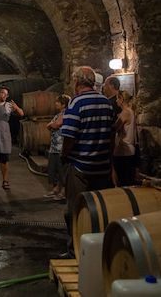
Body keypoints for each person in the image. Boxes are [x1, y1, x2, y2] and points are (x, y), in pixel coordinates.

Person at [61, 66, 114, 257]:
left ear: (77, 81)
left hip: (80, 166)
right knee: (99, 210)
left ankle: (75, 250)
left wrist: (64, 156)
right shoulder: (106, 103)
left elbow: (69, 135)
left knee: (75, 210)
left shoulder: (76, 102)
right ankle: (98, 248)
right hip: (102, 166)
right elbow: (111, 134)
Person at [44, 94, 71, 201]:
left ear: (63, 104)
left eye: (58, 102)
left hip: (60, 146)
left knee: (61, 170)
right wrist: (51, 124)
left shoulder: (65, 113)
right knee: (53, 169)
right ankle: (56, 189)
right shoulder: (59, 114)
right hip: (54, 146)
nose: (55, 104)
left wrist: (52, 124)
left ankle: (63, 192)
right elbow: (49, 125)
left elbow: (56, 124)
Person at [112, 90, 136, 186]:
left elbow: (114, 128)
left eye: (118, 98)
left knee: (122, 181)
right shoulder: (130, 111)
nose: (116, 101)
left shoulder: (125, 112)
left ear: (121, 99)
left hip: (123, 150)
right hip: (129, 150)